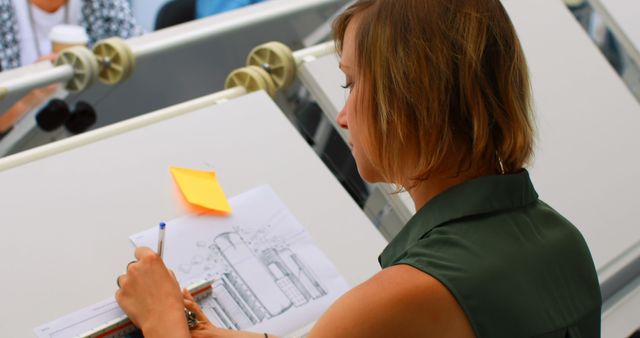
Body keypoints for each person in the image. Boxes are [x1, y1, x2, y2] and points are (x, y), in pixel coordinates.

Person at [115, 1, 602, 337]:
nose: (342, 115)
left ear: (410, 96)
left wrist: (162, 321)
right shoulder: (561, 239)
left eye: (349, 84)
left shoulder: (407, 294)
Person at [0, 0, 142, 135]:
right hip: (18, 149)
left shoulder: (102, 4)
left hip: (94, 134)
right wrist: (30, 96)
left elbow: (142, 59)